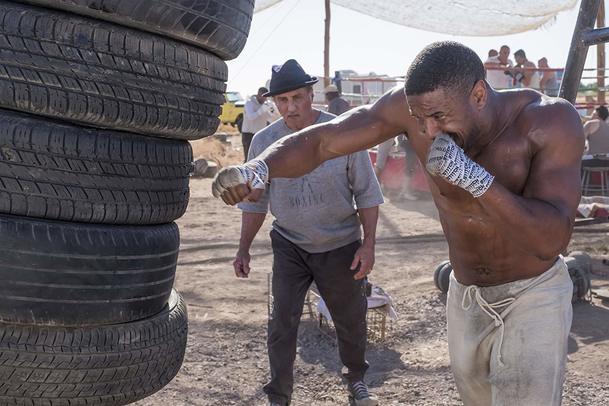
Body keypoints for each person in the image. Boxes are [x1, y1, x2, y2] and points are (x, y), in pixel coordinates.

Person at [212, 41, 584, 405]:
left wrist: (477, 182)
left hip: (532, 294)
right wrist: (260, 168)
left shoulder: (547, 120)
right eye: (419, 119)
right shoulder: (414, 111)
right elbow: (324, 142)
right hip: (466, 292)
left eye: (439, 117)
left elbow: (550, 239)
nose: (429, 131)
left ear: (480, 96)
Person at [233, 59, 383, 406]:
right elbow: (256, 203)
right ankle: (279, 396)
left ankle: (356, 381)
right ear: (273, 101)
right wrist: (244, 249)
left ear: (311, 94)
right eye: (282, 101)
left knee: (350, 319)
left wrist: (369, 244)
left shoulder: (342, 133)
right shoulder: (263, 143)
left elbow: (367, 192)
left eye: (297, 98)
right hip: (290, 244)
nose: (290, 108)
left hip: (341, 243)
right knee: (282, 322)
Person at [241, 86, 277, 160]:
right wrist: (261, 110)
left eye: (266, 97)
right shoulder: (249, 103)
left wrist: (272, 110)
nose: (265, 99)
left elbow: (271, 118)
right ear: (258, 94)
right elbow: (251, 117)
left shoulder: (265, 104)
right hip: (248, 134)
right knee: (249, 159)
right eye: (264, 97)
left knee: (260, 158)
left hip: (260, 134)